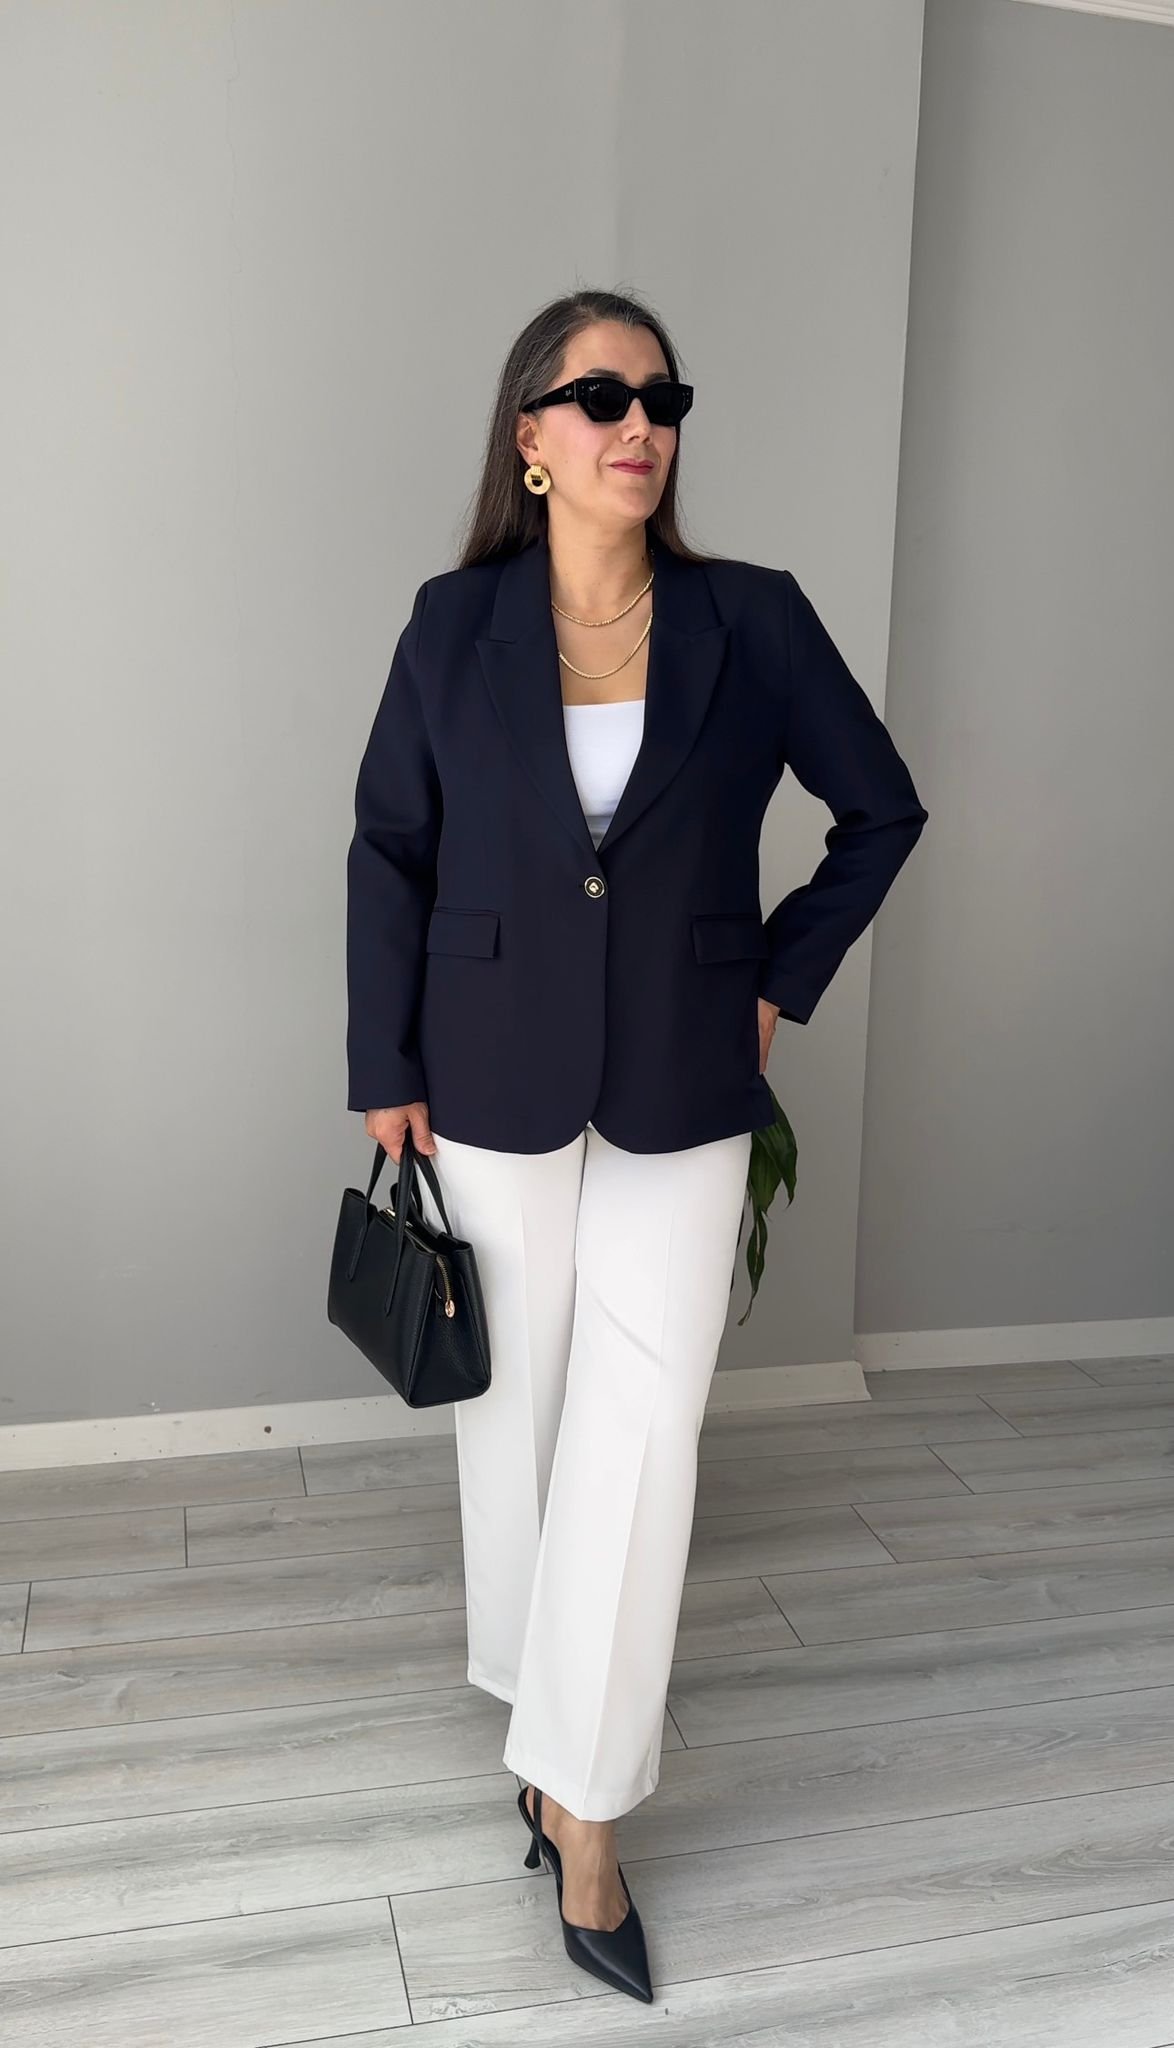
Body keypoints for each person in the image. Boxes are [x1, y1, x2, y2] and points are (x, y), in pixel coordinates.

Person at [345, 287, 928, 2003]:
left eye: (660, 398)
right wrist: (383, 1060)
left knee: (645, 1427)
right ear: (529, 435)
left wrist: (778, 982)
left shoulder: (754, 619)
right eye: (598, 396)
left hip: (681, 1072)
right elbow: (389, 847)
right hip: (485, 1070)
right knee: (517, 1418)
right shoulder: (455, 625)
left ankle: (586, 1810)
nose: (637, 424)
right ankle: (541, 1729)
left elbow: (880, 808)